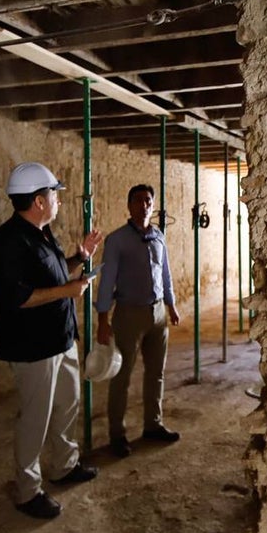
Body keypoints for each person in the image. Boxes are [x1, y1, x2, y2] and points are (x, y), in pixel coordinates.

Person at [0, 162, 104, 520]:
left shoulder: (42, 232)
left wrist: (80, 258)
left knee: (68, 404)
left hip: (61, 337)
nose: (58, 200)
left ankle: (65, 466)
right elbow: (18, 297)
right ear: (39, 201)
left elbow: (52, 274)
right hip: (33, 347)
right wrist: (69, 291)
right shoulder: (8, 242)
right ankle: (28, 491)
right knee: (35, 419)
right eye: (54, 194)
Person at [96, 184, 182, 458]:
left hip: (157, 313)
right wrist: (103, 319)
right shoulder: (117, 240)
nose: (143, 205)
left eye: (148, 200)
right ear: (129, 205)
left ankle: (153, 425)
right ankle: (117, 435)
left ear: (153, 205)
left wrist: (171, 305)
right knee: (121, 375)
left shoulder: (158, 236)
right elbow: (107, 281)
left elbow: (165, 273)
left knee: (156, 372)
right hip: (129, 314)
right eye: (137, 200)